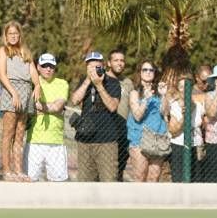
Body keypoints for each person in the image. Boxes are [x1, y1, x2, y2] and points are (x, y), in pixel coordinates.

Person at [0, 21, 40, 182]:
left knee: (20, 134)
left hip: (26, 91)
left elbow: (33, 70)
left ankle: (18, 170)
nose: (13, 36)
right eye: (10, 34)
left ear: (20, 35)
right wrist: (13, 93)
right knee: (8, 133)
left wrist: (37, 85)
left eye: (16, 33)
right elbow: (2, 74)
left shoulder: (25, 51)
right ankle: (6, 170)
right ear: (6, 36)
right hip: (11, 90)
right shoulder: (3, 51)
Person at [69, 51, 121, 182]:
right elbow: (74, 100)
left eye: (96, 66)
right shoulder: (83, 81)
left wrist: (99, 85)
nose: (93, 70)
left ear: (103, 66)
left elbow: (113, 106)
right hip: (85, 140)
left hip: (107, 142)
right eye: (90, 66)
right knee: (85, 183)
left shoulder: (113, 83)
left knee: (108, 181)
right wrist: (87, 80)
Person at [26, 53, 69, 182]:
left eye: (51, 66)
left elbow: (57, 107)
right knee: (29, 182)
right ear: (38, 67)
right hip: (34, 141)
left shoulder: (62, 83)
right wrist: (51, 107)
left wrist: (37, 106)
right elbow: (28, 106)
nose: (48, 69)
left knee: (58, 183)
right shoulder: (31, 83)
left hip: (56, 142)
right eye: (45, 66)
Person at [126, 60, 168, 182]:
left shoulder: (160, 93)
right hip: (139, 139)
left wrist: (164, 95)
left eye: (151, 70)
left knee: (153, 178)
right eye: (145, 70)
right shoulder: (134, 93)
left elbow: (165, 113)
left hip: (158, 140)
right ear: (140, 72)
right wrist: (145, 99)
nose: (148, 72)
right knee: (140, 177)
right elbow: (137, 116)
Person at [165, 72, 204, 183]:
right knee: (178, 180)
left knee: (196, 180)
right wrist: (184, 116)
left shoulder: (198, 105)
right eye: (181, 87)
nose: (184, 89)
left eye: (187, 86)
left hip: (196, 146)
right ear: (178, 89)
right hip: (178, 146)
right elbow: (173, 131)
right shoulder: (174, 105)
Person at [107, 49, 133, 181]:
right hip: (106, 131)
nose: (119, 63)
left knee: (120, 169)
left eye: (122, 60)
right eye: (116, 60)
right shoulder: (103, 79)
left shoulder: (128, 83)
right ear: (109, 63)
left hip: (123, 132)